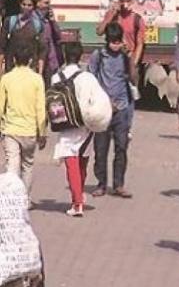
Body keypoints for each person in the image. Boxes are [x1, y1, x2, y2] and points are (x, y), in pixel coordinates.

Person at [51, 41, 110, 217]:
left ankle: (77, 203)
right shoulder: (88, 77)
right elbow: (98, 100)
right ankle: (79, 197)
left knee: (71, 164)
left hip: (66, 125)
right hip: (86, 126)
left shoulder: (56, 78)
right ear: (81, 57)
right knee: (82, 162)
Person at [89, 23, 135, 199]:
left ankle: (119, 184)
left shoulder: (124, 57)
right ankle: (101, 183)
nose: (116, 45)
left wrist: (130, 58)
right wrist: (104, 101)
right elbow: (91, 81)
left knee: (121, 148)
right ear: (107, 40)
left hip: (122, 109)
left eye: (118, 42)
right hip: (103, 110)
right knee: (101, 149)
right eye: (113, 42)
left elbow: (133, 79)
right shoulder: (98, 56)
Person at [0, 42, 46, 204]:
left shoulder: (6, 79)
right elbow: (40, 108)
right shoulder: (37, 80)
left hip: (11, 129)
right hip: (30, 130)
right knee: (28, 165)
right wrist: (43, 132)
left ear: (13, 59)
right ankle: (25, 199)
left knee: (12, 165)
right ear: (31, 60)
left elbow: (1, 106)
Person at [95, 0, 144, 84]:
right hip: (111, 60)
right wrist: (111, 15)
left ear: (133, 1)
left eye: (128, 1)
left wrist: (133, 63)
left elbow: (140, 44)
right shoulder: (112, 15)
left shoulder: (137, 19)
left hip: (128, 58)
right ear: (119, 0)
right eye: (123, 1)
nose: (125, 5)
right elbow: (99, 32)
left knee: (130, 93)